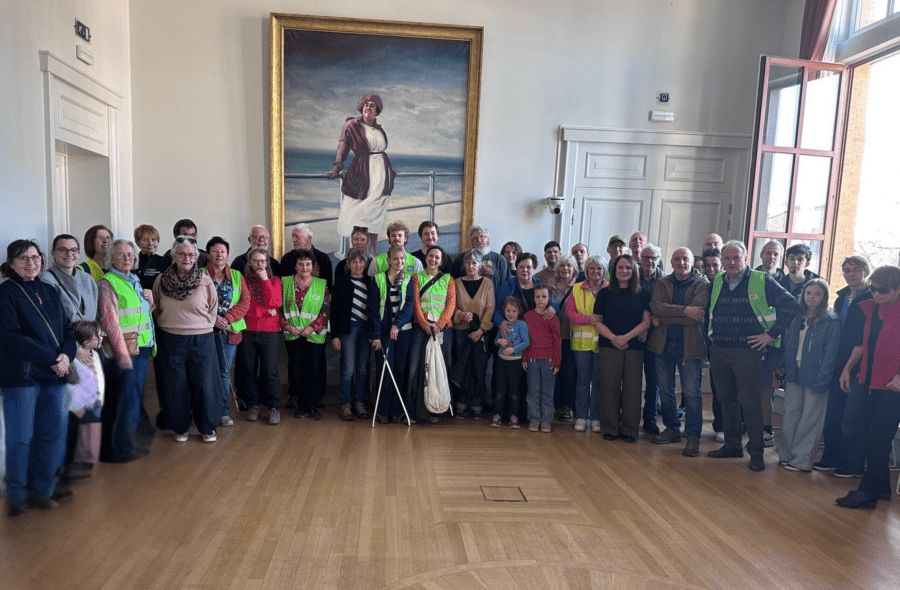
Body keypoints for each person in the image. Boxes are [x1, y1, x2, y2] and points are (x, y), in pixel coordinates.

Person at [706, 240, 799, 472]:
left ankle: (756, 453)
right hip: (719, 349)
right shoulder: (718, 280)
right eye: (726, 258)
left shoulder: (761, 280)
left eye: (736, 257)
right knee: (726, 401)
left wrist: (771, 334)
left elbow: (791, 306)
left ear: (745, 257)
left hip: (748, 352)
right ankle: (732, 445)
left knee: (751, 403)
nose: (731, 262)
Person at [0, 240, 76, 516]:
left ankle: (42, 491)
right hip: (23, 378)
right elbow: (10, 336)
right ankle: (18, 496)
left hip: (55, 375)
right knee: (21, 439)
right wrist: (53, 359)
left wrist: (67, 356)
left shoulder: (50, 290)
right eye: (23, 259)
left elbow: (68, 330)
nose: (31, 263)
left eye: (35, 257)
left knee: (53, 435)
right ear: (11, 263)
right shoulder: (5, 293)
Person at [835, 265, 900, 509]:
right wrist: (847, 369)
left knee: (878, 438)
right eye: (873, 289)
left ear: (897, 289)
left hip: (894, 386)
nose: (876, 294)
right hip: (871, 380)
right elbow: (863, 345)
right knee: (869, 434)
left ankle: (867, 493)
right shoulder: (872, 309)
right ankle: (881, 487)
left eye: (883, 290)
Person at [42, 234, 100, 481]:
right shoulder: (46, 280)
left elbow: (93, 312)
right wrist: (75, 348)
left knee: (87, 406)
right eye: (63, 250)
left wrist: (91, 344)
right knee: (67, 410)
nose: (69, 254)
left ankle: (81, 459)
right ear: (53, 253)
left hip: (88, 349)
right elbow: (52, 322)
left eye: (74, 250)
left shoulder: (86, 278)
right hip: (66, 351)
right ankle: (62, 465)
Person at [153, 236, 220, 443]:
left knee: (205, 385)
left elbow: (213, 308)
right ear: (174, 256)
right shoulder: (161, 280)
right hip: (170, 338)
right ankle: (180, 428)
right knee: (175, 385)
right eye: (181, 254)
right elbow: (155, 306)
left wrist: (201, 325)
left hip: (202, 339)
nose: (186, 258)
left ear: (196, 257)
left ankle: (207, 428)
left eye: (191, 254)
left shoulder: (206, 280)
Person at [98, 239, 156, 463]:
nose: (127, 258)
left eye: (130, 255)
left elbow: (139, 315)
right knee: (125, 401)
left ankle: (125, 443)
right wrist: (124, 356)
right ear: (111, 258)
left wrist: (150, 302)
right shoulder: (108, 283)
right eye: (121, 255)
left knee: (132, 399)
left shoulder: (134, 280)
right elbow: (110, 322)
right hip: (126, 352)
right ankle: (121, 449)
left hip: (141, 348)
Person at [648, 247, 710, 456]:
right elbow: (656, 307)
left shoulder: (703, 283)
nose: (681, 262)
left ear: (692, 261)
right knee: (665, 390)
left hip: (689, 345)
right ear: (671, 262)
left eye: (685, 259)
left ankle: (692, 437)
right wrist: (684, 310)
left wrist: (664, 317)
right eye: (677, 259)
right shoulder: (662, 282)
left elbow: (698, 312)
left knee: (692, 393)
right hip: (663, 343)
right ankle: (672, 429)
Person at [814, 255, 872, 472]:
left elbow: (864, 338)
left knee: (852, 416)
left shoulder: (871, 298)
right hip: (838, 361)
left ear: (865, 271)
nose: (850, 274)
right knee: (833, 413)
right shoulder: (841, 298)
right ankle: (831, 457)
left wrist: (850, 366)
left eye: (855, 269)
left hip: (859, 364)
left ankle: (852, 464)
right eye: (846, 270)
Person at [778, 279, 839, 471]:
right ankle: (786, 454)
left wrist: (822, 379)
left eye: (817, 294)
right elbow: (786, 345)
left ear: (824, 297)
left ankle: (802, 460)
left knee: (810, 418)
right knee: (791, 414)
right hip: (794, 374)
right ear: (803, 295)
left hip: (816, 375)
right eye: (809, 293)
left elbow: (831, 355)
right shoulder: (796, 317)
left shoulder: (831, 320)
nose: (813, 297)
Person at [326, 93, 397, 250]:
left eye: (372, 106)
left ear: (377, 111)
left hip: (381, 175)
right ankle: (355, 249)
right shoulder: (352, 125)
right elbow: (342, 146)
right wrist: (337, 167)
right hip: (363, 172)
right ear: (361, 108)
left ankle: (372, 250)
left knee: (376, 212)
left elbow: (381, 149)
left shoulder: (378, 128)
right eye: (366, 105)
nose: (369, 108)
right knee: (356, 210)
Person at [593, 254, 652, 443]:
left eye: (628, 267)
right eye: (620, 268)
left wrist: (625, 338)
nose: (624, 271)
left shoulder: (643, 293)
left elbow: (646, 322)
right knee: (609, 388)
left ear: (634, 270)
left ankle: (630, 430)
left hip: (634, 347)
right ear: (614, 271)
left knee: (632, 390)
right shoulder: (604, 293)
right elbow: (596, 321)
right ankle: (610, 428)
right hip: (609, 347)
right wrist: (614, 338)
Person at [203, 237, 250, 428]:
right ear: (208, 254)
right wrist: (213, 319)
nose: (219, 255)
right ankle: (205, 411)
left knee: (223, 373)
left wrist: (228, 318)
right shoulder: (199, 274)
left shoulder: (238, 276)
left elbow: (245, 302)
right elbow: (194, 302)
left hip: (229, 332)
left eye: (222, 251)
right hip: (204, 331)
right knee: (205, 373)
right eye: (215, 251)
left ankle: (223, 412)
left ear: (227, 255)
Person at [368, 245, 414, 424]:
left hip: (403, 332)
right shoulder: (378, 279)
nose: (399, 262)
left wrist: (397, 324)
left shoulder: (409, 279)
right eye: (395, 259)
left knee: (400, 370)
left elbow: (408, 307)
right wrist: (376, 335)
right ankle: (382, 409)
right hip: (384, 333)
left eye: (402, 259)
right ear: (388, 260)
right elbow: (373, 309)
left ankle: (397, 409)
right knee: (384, 370)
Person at [282, 249, 330, 421]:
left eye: (308, 264)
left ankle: (312, 405)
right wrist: (286, 325)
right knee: (296, 370)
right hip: (293, 334)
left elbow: (325, 310)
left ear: (313, 266)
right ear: (295, 266)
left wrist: (312, 327)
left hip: (314, 335)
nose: (304, 267)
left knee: (313, 370)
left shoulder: (320, 284)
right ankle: (301, 405)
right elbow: (278, 309)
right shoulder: (285, 282)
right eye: (301, 264)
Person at [409, 246, 456, 423]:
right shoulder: (416, 278)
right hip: (421, 329)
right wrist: (424, 324)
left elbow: (451, 305)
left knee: (442, 368)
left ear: (441, 260)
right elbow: (415, 304)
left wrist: (439, 325)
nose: (433, 260)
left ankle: (438, 409)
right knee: (415, 367)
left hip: (443, 329)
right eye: (431, 256)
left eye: (437, 257)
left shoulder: (448, 279)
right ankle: (414, 410)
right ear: (425, 258)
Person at [450, 249, 494, 419]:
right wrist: (461, 315)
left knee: (479, 368)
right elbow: (451, 306)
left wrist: (481, 330)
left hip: (481, 333)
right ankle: (461, 403)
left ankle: (477, 404)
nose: (470, 266)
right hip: (461, 332)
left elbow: (490, 308)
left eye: (474, 263)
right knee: (462, 367)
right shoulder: (456, 282)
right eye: (467, 263)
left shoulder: (487, 283)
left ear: (480, 265)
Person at [241, 247, 283, 425]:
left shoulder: (275, 281)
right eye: (256, 261)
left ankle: (274, 407)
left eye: (263, 261)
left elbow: (275, 302)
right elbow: (243, 304)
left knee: (269, 371)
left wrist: (265, 279)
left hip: (269, 331)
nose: (260, 264)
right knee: (249, 370)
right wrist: (264, 310)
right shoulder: (243, 280)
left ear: (267, 263)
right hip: (248, 330)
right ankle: (254, 405)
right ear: (250, 263)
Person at [566, 255, 608, 432]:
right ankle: (582, 417)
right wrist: (588, 319)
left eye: (599, 268)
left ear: (604, 271)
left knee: (598, 382)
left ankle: (596, 418)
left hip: (603, 342)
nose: (595, 272)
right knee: (583, 381)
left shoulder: (610, 289)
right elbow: (570, 313)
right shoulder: (576, 288)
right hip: (581, 343)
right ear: (587, 270)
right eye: (592, 268)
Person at [331, 248, 373, 420]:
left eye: (361, 262)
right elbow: (334, 311)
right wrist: (335, 335)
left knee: (363, 368)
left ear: (365, 264)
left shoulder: (371, 282)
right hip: (348, 330)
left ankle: (360, 402)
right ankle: (345, 404)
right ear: (348, 264)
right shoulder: (341, 282)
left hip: (366, 330)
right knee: (347, 369)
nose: (357, 265)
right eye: (354, 262)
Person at [755, 239, 786, 445]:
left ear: (780, 257)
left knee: (767, 388)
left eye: (775, 254)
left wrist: (772, 335)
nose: (771, 257)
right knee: (747, 385)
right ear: (761, 255)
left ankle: (766, 429)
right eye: (768, 253)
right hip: (751, 340)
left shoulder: (787, 282)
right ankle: (747, 423)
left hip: (776, 345)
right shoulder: (750, 277)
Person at [65, 320, 104, 479]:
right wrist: (76, 406)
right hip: (78, 406)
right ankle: (71, 466)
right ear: (86, 341)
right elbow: (74, 384)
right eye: (98, 337)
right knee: (74, 435)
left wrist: (99, 398)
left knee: (90, 432)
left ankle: (87, 461)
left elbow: (98, 378)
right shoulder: (74, 359)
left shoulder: (94, 354)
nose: (101, 340)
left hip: (92, 402)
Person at [524, 284, 561, 433]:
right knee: (533, 391)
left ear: (549, 298)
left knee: (547, 392)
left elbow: (557, 341)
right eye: (538, 297)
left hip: (549, 361)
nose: (540, 300)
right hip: (532, 360)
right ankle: (534, 419)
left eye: (544, 297)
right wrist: (524, 358)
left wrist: (557, 361)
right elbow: (526, 340)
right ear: (533, 298)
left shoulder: (553, 318)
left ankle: (546, 421)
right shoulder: (527, 316)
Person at [638, 244, 666, 434]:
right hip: (634, 333)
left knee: (653, 379)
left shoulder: (665, 280)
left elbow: (669, 306)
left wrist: (654, 321)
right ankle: (628, 416)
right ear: (639, 258)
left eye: (653, 258)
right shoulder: (631, 275)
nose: (650, 261)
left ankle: (649, 417)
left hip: (657, 335)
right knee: (630, 378)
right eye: (646, 257)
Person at [492, 297, 529, 429]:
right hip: (501, 362)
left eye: (514, 311)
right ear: (504, 311)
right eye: (508, 310)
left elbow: (526, 342)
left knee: (514, 392)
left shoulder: (522, 325)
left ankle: (514, 416)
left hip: (515, 363)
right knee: (499, 391)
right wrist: (499, 342)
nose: (511, 314)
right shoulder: (503, 324)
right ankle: (497, 415)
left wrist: (513, 349)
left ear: (518, 312)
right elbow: (496, 339)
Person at [549, 254, 578, 422]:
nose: (565, 268)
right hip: (551, 337)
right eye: (562, 265)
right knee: (553, 371)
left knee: (569, 372)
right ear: (557, 268)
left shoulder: (580, 287)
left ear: (574, 268)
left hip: (569, 335)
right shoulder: (550, 287)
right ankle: (555, 404)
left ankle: (567, 406)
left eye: (569, 266)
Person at [701, 249, 725, 442]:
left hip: (720, 343)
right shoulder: (698, 285)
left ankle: (722, 426)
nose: (710, 269)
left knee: (721, 387)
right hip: (699, 342)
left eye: (714, 265)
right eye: (707, 265)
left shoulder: (727, 286)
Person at [451, 225, 509, 294]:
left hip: (493, 302)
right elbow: (453, 283)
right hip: (466, 301)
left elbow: (506, 286)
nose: (479, 240)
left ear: (488, 240)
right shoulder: (461, 259)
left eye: (482, 237)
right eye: (475, 238)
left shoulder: (500, 260)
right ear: (471, 242)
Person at [281, 224, 333, 291]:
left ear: (309, 238)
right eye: (292, 236)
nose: (293, 240)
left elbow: (328, 287)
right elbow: (283, 287)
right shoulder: (286, 259)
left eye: (297, 237)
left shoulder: (323, 259)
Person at [134, 224, 171, 291]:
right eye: (145, 240)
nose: (150, 243)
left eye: (154, 240)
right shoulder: (132, 261)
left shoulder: (166, 261)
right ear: (137, 242)